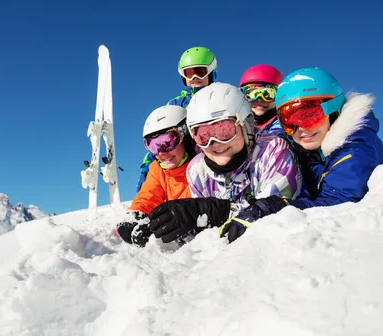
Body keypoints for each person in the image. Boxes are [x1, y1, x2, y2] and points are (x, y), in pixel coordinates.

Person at [147, 82, 302, 243]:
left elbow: (278, 217)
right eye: (203, 135)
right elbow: (207, 238)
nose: (214, 143)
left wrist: (222, 211)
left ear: (246, 125)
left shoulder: (272, 151)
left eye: (223, 130)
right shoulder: (197, 171)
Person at [272, 67, 383, 209]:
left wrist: (280, 207)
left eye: (310, 116)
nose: (301, 129)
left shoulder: (356, 147)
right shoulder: (305, 150)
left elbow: (336, 202)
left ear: (333, 109)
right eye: (289, 122)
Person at [136, 46, 218, 191]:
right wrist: (146, 170)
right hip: (184, 161)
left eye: (200, 72)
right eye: (189, 74)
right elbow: (160, 135)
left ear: (211, 72)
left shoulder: (221, 97)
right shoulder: (176, 105)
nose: (194, 78)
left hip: (214, 157)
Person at [117, 105, 196, 247]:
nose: (161, 153)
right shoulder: (157, 169)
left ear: (187, 136)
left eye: (168, 142)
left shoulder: (202, 165)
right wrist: (137, 215)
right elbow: (149, 195)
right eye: (153, 146)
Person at [239, 64, 285, 136]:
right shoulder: (239, 124)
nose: (259, 99)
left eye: (268, 94)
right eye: (252, 94)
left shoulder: (284, 125)